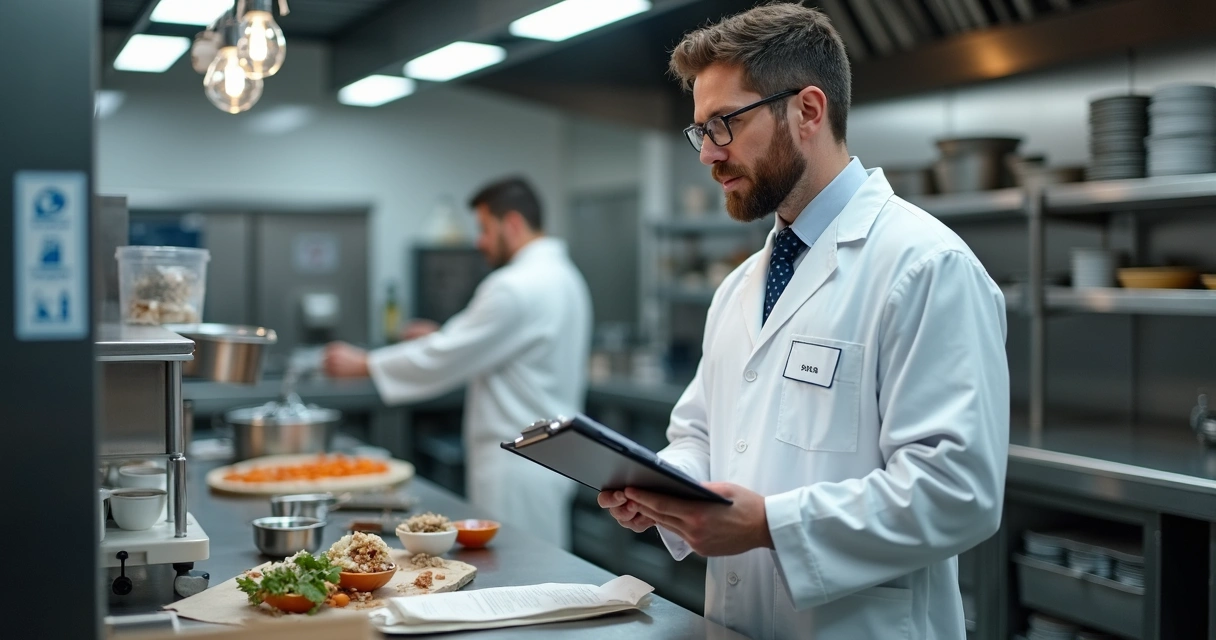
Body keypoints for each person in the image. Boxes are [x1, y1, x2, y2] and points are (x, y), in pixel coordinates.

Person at [597, 5, 1009, 639]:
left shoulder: (926, 267)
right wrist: (671, 489)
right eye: (700, 131)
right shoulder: (738, 288)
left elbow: (957, 493)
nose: (708, 154)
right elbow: (700, 433)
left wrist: (769, 524)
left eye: (725, 124)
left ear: (808, 111)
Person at [326, 177, 591, 549]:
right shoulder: (564, 277)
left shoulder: (514, 285)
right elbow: (496, 342)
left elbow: (446, 357)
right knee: (540, 562)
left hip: (515, 466)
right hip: (548, 460)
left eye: (484, 229)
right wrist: (443, 336)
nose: (479, 242)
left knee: (516, 567)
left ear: (512, 223)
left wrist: (366, 364)